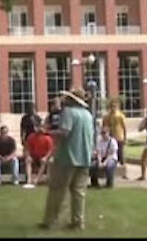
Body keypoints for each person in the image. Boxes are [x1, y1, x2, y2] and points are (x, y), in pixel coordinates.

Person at [40, 89, 94, 231]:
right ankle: (78, 222)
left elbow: (64, 132)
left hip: (67, 158)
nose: (65, 100)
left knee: (57, 190)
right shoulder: (88, 115)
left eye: (68, 98)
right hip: (84, 158)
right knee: (79, 192)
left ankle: (51, 221)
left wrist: (47, 132)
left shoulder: (69, 112)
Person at [24, 121, 54, 188]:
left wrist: (45, 157)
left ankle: (36, 180)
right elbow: (28, 148)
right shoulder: (31, 137)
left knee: (45, 161)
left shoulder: (48, 138)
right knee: (28, 160)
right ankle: (29, 180)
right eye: (38, 127)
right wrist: (28, 156)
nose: (40, 129)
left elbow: (50, 150)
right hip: (34, 156)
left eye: (42, 127)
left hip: (44, 156)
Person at [102, 100, 127, 179]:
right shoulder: (107, 116)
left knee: (120, 154)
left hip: (119, 137)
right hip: (110, 137)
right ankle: (110, 171)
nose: (113, 108)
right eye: (111, 106)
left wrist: (125, 137)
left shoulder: (120, 116)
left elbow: (124, 127)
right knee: (110, 154)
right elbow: (104, 126)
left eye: (114, 106)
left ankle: (124, 173)